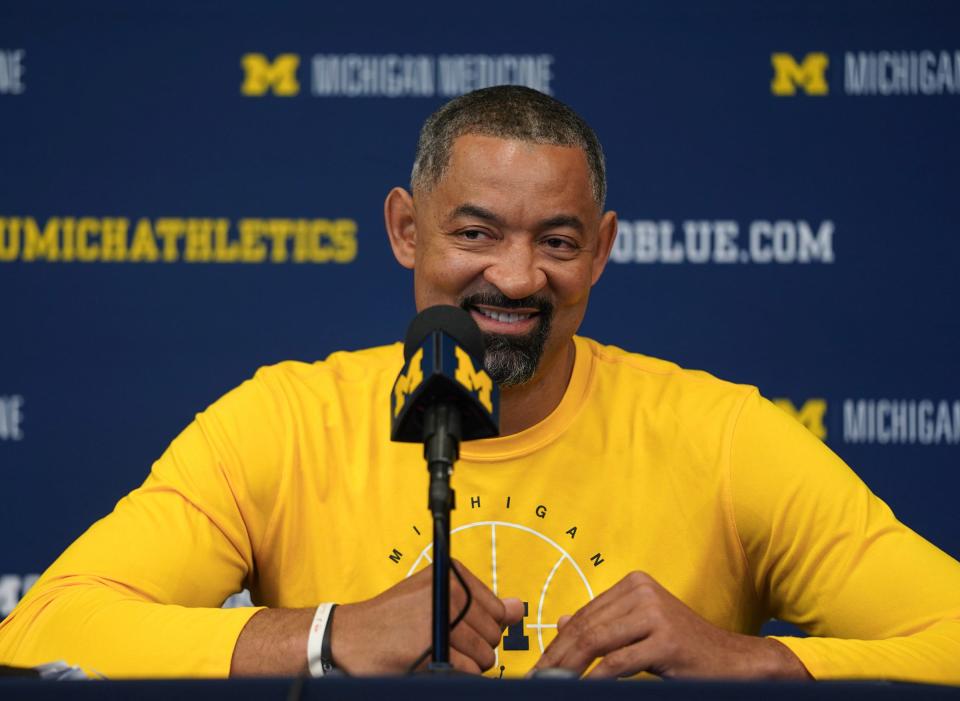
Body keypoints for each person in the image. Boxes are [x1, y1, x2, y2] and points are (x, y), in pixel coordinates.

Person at [1, 86, 959, 683]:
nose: (514, 275)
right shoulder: (283, 422)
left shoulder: (720, 434)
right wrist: (331, 637)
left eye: (557, 241)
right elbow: (43, 627)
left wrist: (750, 661)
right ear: (405, 231)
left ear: (604, 251)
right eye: (475, 232)